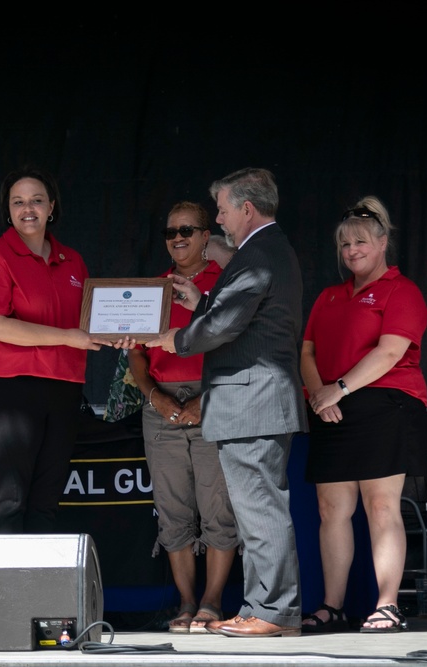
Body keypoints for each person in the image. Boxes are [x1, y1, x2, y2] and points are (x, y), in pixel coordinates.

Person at [148, 167, 307, 638]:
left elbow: (222, 327)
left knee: (259, 509)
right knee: (256, 508)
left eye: (221, 210)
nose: (219, 220)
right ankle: (265, 607)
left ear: (247, 209)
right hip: (252, 399)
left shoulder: (259, 253)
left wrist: (172, 339)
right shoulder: (265, 251)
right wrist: (202, 301)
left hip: (252, 400)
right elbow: (231, 315)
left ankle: (273, 610)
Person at [299, 197, 427, 634]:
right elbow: (307, 351)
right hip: (330, 405)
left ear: (382, 242)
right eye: (344, 245)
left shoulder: (402, 290)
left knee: (380, 505)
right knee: (330, 507)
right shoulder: (329, 296)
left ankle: (387, 604)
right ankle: (333, 606)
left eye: (360, 242)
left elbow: (391, 351)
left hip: (385, 403)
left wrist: (340, 387)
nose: (351, 250)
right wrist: (322, 394)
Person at [0, 166, 125, 534]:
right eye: (18, 202)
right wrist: (68, 337)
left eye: (37, 200)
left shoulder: (72, 260)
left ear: (51, 207)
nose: (28, 209)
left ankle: (36, 590)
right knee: (10, 496)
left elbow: (90, 322)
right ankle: (5, 591)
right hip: (11, 386)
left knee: (47, 497)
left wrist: (120, 331)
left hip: (64, 386)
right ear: (7, 210)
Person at [128, 202, 237, 634]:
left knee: (218, 509)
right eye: (170, 231)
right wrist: (154, 396)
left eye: (187, 230)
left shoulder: (226, 284)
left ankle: (213, 602)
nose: (178, 238)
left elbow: (236, 347)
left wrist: (205, 400)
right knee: (172, 512)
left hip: (216, 402)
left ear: (207, 235)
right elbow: (136, 354)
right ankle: (187, 604)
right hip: (161, 406)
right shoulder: (152, 289)